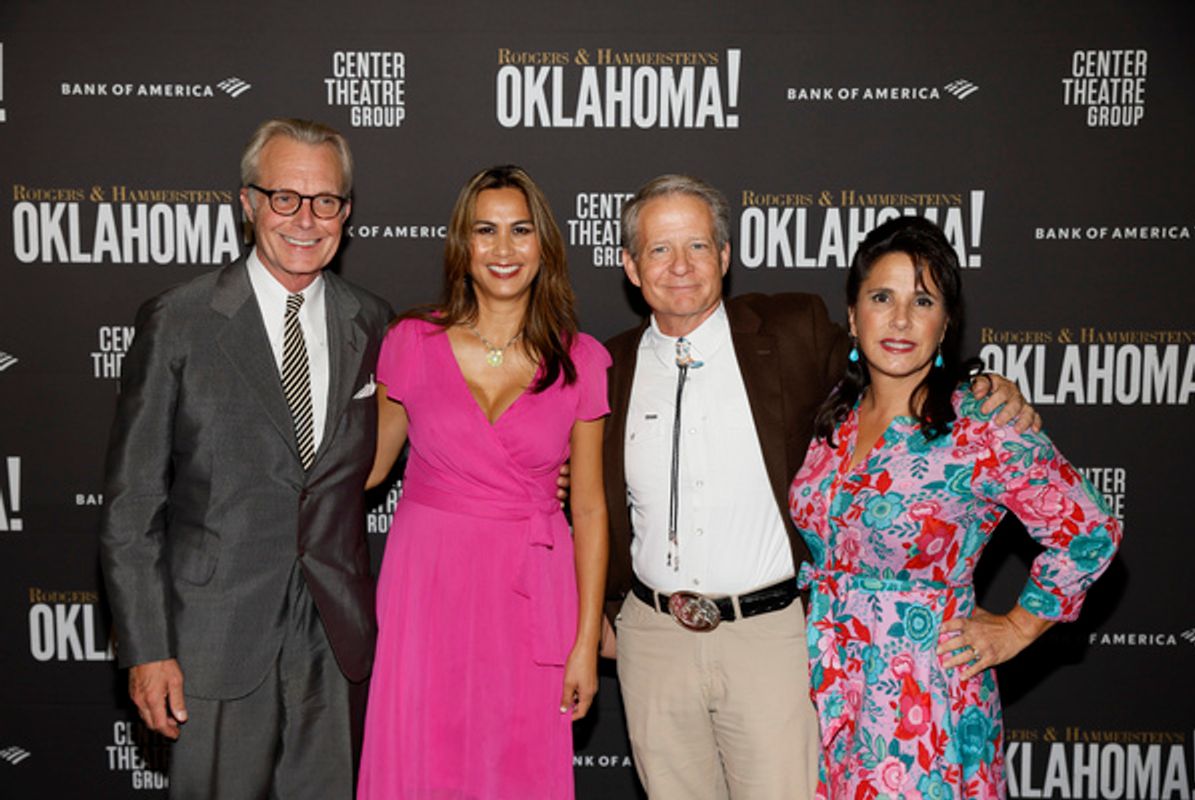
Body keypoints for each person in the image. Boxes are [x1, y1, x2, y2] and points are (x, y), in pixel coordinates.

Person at [603, 175, 1038, 800]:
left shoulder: (792, 330)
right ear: (630, 266)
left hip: (770, 638)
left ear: (725, 258)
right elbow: (577, 495)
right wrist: (598, 615)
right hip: (653, 640)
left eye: (698, 246)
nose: (680, 267)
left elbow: (895, 356)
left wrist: (985, 384)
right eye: (660, 249)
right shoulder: (606, 366)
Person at [99, 118, 393, 798]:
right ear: (247, 202)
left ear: (346, 213)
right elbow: (133, 501)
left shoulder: (372, 321)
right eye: (284, 197)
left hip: (334, 637)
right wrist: (146, 650)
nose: (305, 219)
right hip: (213, 634)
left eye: (325, 201)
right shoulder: (180, 319)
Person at [789, 216, 1122, 799]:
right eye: (881, 297)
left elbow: (1089, 529)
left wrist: (1019, 626)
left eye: (922, 301)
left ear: (945, 325)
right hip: (821, 682)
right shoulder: (834, 419)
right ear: (851, 314)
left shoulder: (980, 425)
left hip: (919, 701)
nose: (899, 320)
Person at [357, 165, 609, 799]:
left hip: (529, 596)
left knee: (517, 764)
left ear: (544, 247)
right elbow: (369, 466)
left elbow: (591, 510)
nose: (503, 249)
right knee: (421, 757)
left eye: (521, 231)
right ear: (462, 247)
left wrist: (583, 644)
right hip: (427, 586)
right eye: (486, 231)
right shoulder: (411, 343)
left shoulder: (581, 359)